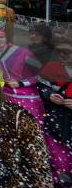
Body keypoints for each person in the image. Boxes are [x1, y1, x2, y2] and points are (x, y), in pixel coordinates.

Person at [0, 28, 44, 123]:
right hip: (6, 97)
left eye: (1, 37)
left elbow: (41, 74)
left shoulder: (23, 52)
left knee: (32, 127)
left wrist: (21, 83)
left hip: (28, 97)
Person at [37, 34, 72, 186]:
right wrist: (49, 95)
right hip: (55, 122)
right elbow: (41, 87)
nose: (62, 55)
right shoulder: (51, 68)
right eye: (59, 52)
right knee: (58, 161)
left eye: (67, 52)